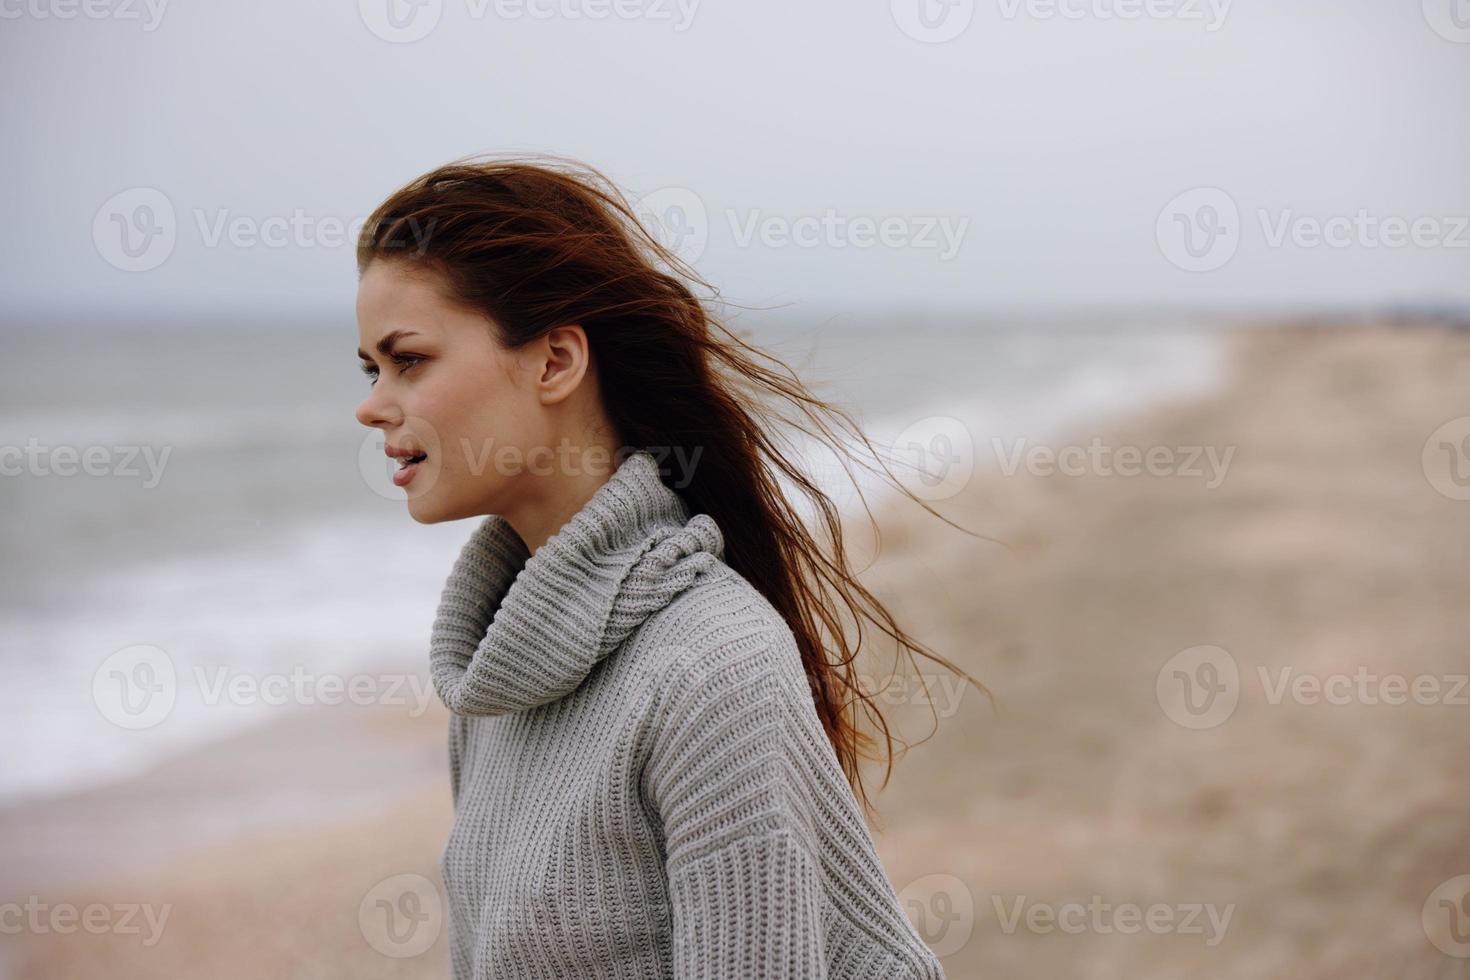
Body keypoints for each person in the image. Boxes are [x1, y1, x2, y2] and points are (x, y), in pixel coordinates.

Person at [353, 154, 978, 978]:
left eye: (409, 361)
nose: (371, 404)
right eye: (371, 369)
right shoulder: (494, 675)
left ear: (554, 362)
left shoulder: (713, 666)